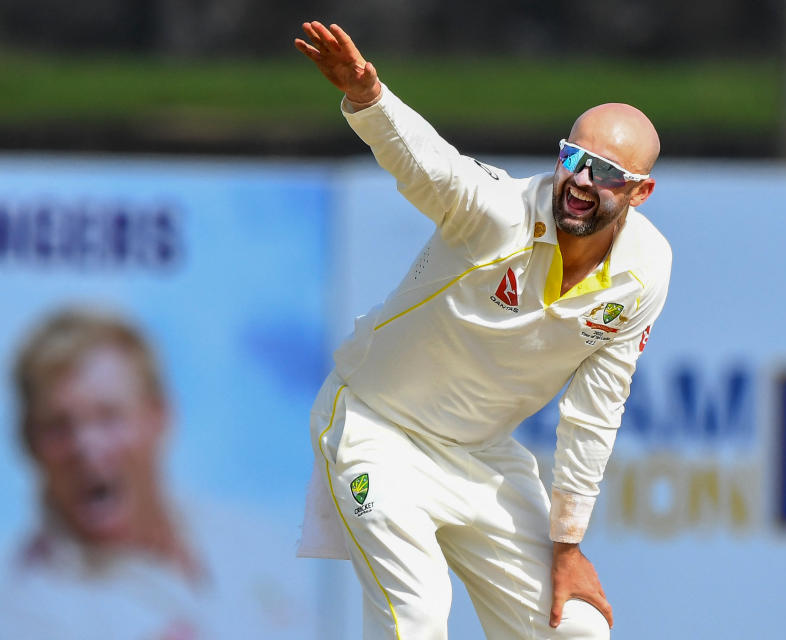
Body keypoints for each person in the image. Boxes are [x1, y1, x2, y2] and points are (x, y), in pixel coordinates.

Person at [294, 21, 671, 639]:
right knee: (414, 618)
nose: (578, 182)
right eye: (572, 158)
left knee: (576, 629)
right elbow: (434, 170)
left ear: (640, 191)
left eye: (603, 172)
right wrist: (369, 99)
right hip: (376, 427)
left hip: (480, 456)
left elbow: (595, 411)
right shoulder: (501, 215)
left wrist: (568, 545)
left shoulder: (645, 272)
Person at [0, 308, 315, 639]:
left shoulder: (258, 542)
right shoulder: (22, 609)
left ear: (160, 415)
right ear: (29, 443)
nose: (85, 446)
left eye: (107, 417)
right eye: (58, 426)